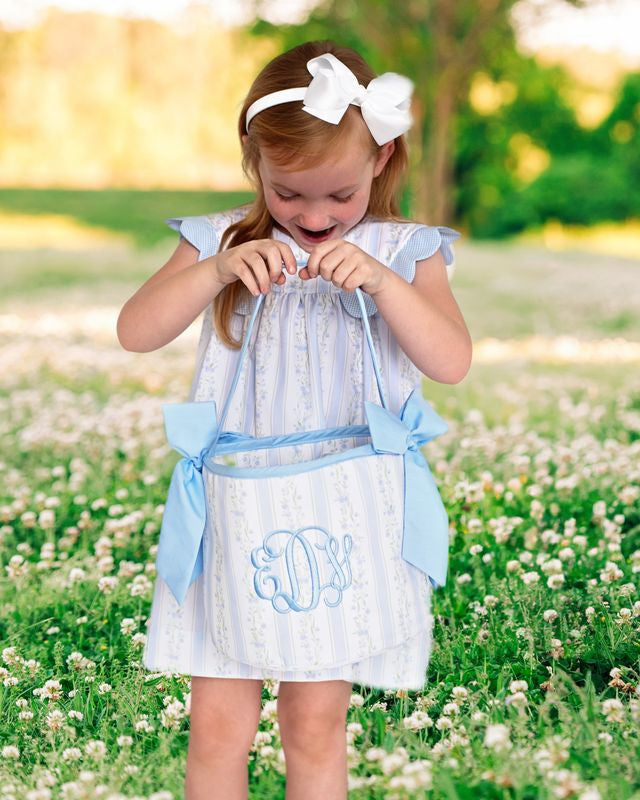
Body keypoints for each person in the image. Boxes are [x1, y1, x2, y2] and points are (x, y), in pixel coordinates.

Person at [117, 39, 471, 800]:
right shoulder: (221, 240)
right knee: (217, 725)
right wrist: (215, 269)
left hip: (343, 517)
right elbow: (136, 330)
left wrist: (384, 284)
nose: (314, 216)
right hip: (233, 513)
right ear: (257, 168)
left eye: (338, 196)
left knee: (313, 722)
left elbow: (450, 360)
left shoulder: (405, 251)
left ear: (381, 160)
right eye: (288, 195)